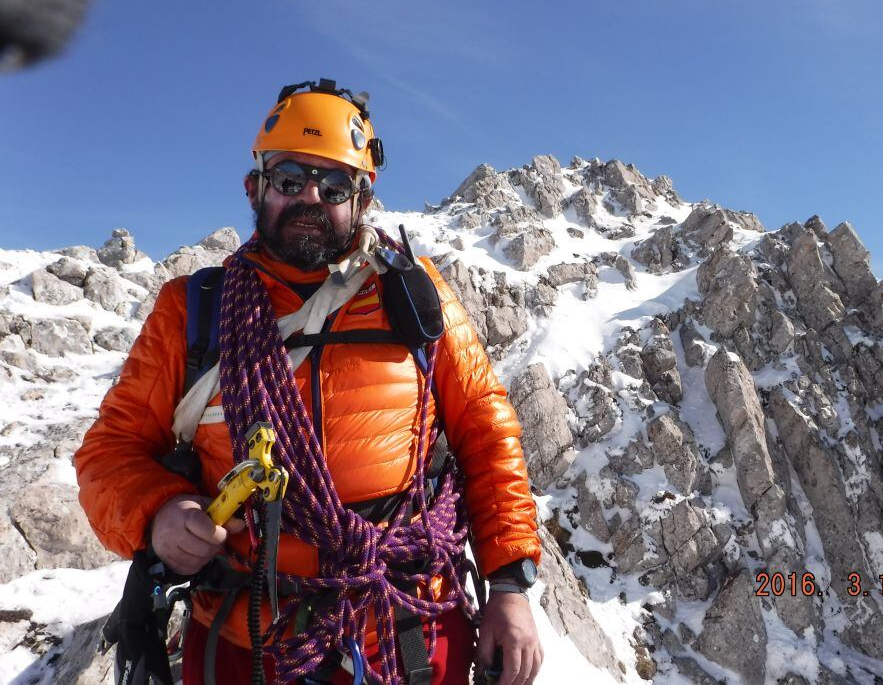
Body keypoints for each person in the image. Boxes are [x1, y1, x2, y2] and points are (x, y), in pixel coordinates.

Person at [75, 79, 543, 685]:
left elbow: (487, 435)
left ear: (363, 200)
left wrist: (509, 585)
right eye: (290, 179)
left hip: (406, 630)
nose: (311, 198)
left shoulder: (416, 296)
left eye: (334, 185)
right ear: (256, 187)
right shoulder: (190, 312)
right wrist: (160, 512)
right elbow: (106, 456)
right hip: (248, 641)